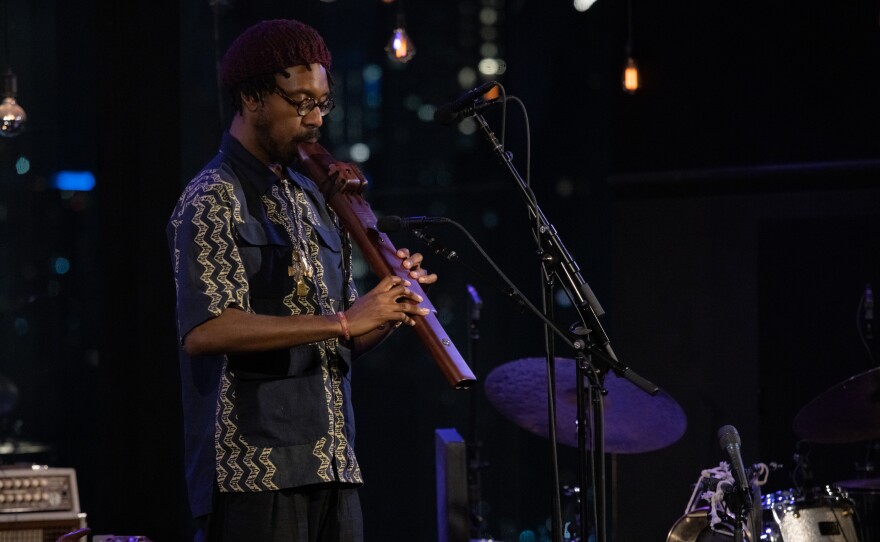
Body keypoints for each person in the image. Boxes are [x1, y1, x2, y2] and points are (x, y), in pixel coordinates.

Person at [167, 19, 436, 542]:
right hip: (254, 470)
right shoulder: (211, 197)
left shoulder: (315, 196)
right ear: (251, 98)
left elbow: (343, 340)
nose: (315, 119)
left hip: (333, 458)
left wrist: (393, 305)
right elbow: (205, 331)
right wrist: (342, 321)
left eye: (323, 103)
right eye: (300, 103)